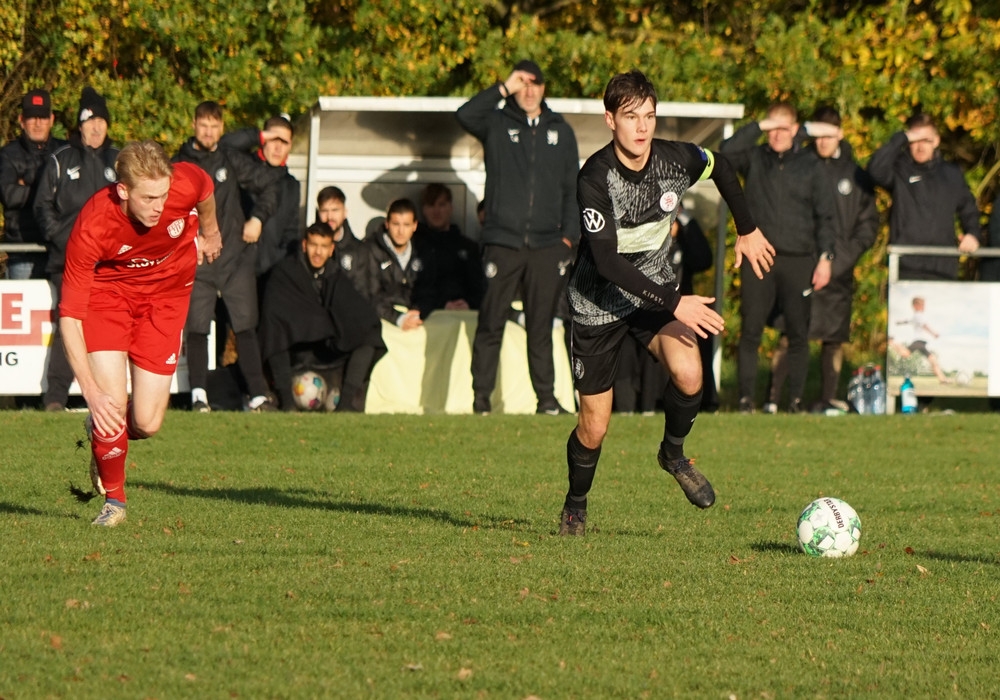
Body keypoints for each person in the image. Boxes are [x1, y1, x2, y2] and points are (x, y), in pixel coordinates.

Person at [559, 70, 774, 536]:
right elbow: (607, 262)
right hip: (598, 303)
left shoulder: (676, 160)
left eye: (650, 116)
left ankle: (673, 455)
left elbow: (722, 165)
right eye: (631, 117)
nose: (642, 127)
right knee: (595, 427)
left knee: (691, 374)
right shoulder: (594, 177)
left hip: (653, 292)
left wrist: (747, 228)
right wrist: (676, 303)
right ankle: (576, 505)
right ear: (610, 120)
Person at [59, 140, 222, 526]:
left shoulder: (182, 182)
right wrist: (91, 394)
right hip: (109, 298)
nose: (159, 206)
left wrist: (212, 231)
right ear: (122, 190)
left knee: (147, 423)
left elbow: (205, 188)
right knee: (111, 405)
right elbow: (69, 318)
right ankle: (114, 502)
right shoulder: (93, 223)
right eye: (148, 198)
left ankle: (103, 436)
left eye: (163, 195)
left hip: (167, 299)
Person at [457, 59, 580, 416]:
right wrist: (502, 88)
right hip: (503, 242)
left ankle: (546, 400)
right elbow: (464, 115)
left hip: (547, 246)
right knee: (491, 322)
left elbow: (572, 188)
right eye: (522, 83)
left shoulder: (561, 131)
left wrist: (568, 239)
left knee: (541, 326)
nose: (529, 90)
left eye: (534, 83)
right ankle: (481, 400)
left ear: (544, 88)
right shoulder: (496, 122)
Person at [719, 102, 836, 413]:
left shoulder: (812, 165)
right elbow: (725, 152)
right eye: (771, 128)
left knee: (798, 333)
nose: (777, 135)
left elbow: (826, 216)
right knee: (751, 330)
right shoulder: (755, 158)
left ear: (796, 130)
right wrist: (758, 127)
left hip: (799, 259)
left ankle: (795, 401)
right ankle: (745, 399)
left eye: (783, 128)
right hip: (759, 256)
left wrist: (826, 258)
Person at [766, 106, 879, 412]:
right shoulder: (798, 165)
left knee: (833, 340)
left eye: (829, 135)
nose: (823, 141)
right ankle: (773, 400)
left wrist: (837, 262)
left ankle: (827, 399)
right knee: (790, 334)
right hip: (800, 265)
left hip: (837, 273)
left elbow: (868, 228)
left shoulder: (857, 176)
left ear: (840, 134)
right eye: (817, 135)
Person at [174, 101, 280, 413]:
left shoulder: (231, 159)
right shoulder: (178, 165)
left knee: (245, 326)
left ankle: (258, 395)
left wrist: (258, 218)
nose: (208, 132)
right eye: (203, 125)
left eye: (214, 126)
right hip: (198, 261)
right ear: (193, 125)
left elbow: (270, 185)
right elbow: (166, 209)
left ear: (221, 128)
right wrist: (187, 239)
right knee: (197, 328)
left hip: (234, 258)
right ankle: (198, 396)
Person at [34, 87, 119, 411]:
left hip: (110, 263)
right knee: (71, 321)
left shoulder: (120, 160)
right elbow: (42, 206)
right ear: (80, 125)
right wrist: (64, 238)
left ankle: (110, 396)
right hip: (69, 261)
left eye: (101, 121)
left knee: (106, 326)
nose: (96, 127)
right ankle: (55, 397)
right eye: (89, 121)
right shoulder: (61, 159)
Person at [259, 222, 385, 412]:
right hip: (295, 350)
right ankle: (287, 403)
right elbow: (275, 314)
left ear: (331, 249)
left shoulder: (335, 275)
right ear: (304, 245)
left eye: (324, 246)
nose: (318, 252)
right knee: (275, 330)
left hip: (327, 349)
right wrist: (319, 323)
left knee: (369, 334)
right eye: (313, 245)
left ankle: (346, 404)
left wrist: (330, 326)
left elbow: (356, 312)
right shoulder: (285, 272)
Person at [612, 205, 716, 414]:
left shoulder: (683, 241)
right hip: (632, 307)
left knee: (675, 347)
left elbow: (704, 259)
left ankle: (657, 407)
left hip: (673, 311)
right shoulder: (638, 235)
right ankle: (628, 408)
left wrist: (685, 218)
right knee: (626, 353)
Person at [867, 113, 980, 281]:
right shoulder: (900, 170)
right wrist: (902, 137)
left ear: (936, 141)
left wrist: (972, 234)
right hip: (906, 268)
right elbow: (875, 171)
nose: (920, 147)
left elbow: (968, 208)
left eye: (926, 140)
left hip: (943, 269)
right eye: (915, 140)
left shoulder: (951, 174)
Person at [220, 115, 301, 279]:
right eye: (273, 139)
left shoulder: (291, 185)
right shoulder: (241, 166)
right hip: (233, 269)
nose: (278, 148)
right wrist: (255, 136)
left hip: (270, 273)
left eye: (284, 142)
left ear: (290, 146)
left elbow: (291, 233)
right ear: (263, 138)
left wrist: (280, 267)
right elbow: (220, 146)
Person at [1, 89, 67, 280]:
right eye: (32, 117)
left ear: (52, 120)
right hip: (23, 252)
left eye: (43, 117)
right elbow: (8, 194)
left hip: (60, 250)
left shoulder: (65, 151)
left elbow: (74, 193)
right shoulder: (7, 154)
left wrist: (26, 186)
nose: (38, 123)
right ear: (21, 120)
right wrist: (50, 192)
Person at [413, 183, 484, 315]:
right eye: (431, 205)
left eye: (441, 205)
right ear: (423, 210)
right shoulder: (414, 247)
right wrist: (441, 305)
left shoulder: (468, 247)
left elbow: (480, 288)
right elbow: (413, 290)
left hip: (465, 317)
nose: (436, 211)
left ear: (451, 208)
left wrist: (469, 304)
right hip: (427, 317)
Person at [363, 198, 426, 331]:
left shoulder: (423, 249)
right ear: (387, 224)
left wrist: (418, 310)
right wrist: (398, 318)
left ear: (415, 226)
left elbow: (429, 288)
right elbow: (371, 294)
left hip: (417, 315)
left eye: (406, 225)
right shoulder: (371, 250)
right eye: (396, 224)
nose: (401, 231)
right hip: (385, 317)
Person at [316, 185, 367, 294]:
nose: (329, 217)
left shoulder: (359, 250)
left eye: (335, 210)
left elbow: (362, 292)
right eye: (324, 211)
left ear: (345, 212)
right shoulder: (309, 248)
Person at [889, 296, 951, 383]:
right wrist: (934, 333)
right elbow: (925, 326)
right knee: (907, 354)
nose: (924, 306)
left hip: (921, 342)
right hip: (919, 341)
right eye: (922, 305)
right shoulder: (919, 315)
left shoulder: (916, 316)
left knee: (932, 360)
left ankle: (942, 379)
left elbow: (907, 321)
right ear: (916, 305)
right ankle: (891, 342)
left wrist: (899, 322)